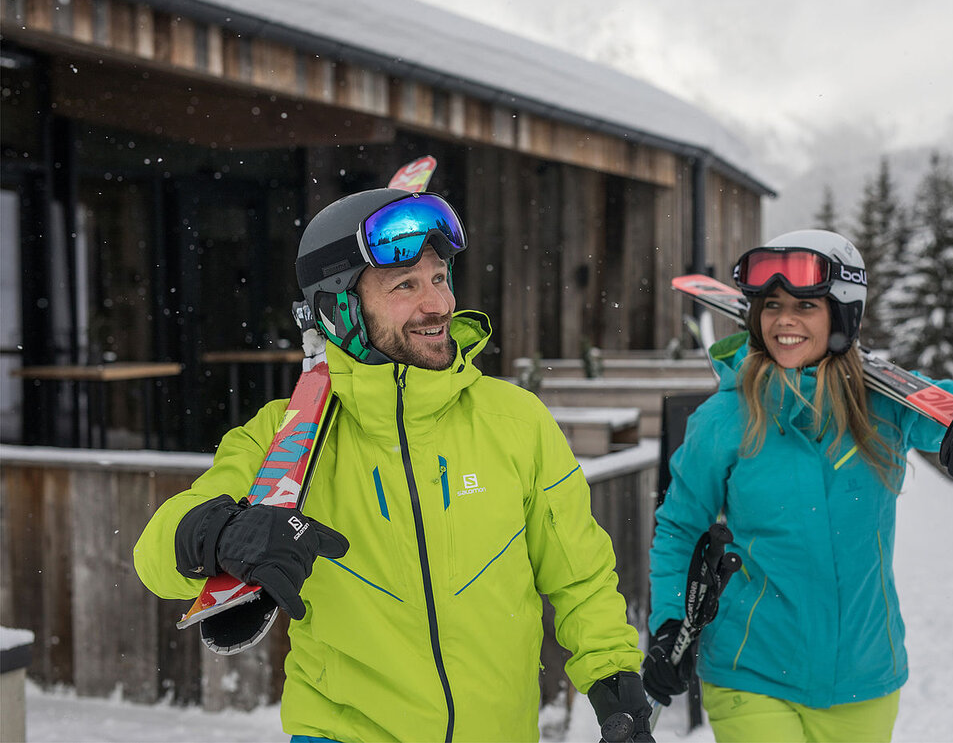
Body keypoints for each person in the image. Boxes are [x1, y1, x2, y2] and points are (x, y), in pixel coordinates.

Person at [134, 188, 654, 742]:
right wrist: (221, 534)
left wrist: (617, 691)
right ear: (340, 309)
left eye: (439, 277)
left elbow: (581, 577)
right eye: (405, 285)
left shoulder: (515, 422)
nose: (437, 304)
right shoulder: (286, 435)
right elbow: (154, 558)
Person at [641, 230, 953, 742]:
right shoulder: (726, 418)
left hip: (864, 676)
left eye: (805, 305)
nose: (784, 320)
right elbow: (679, 528)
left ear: (842, 314)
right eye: (772, 305)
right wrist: (671, 623)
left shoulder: (886, 405)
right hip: (751, 669)